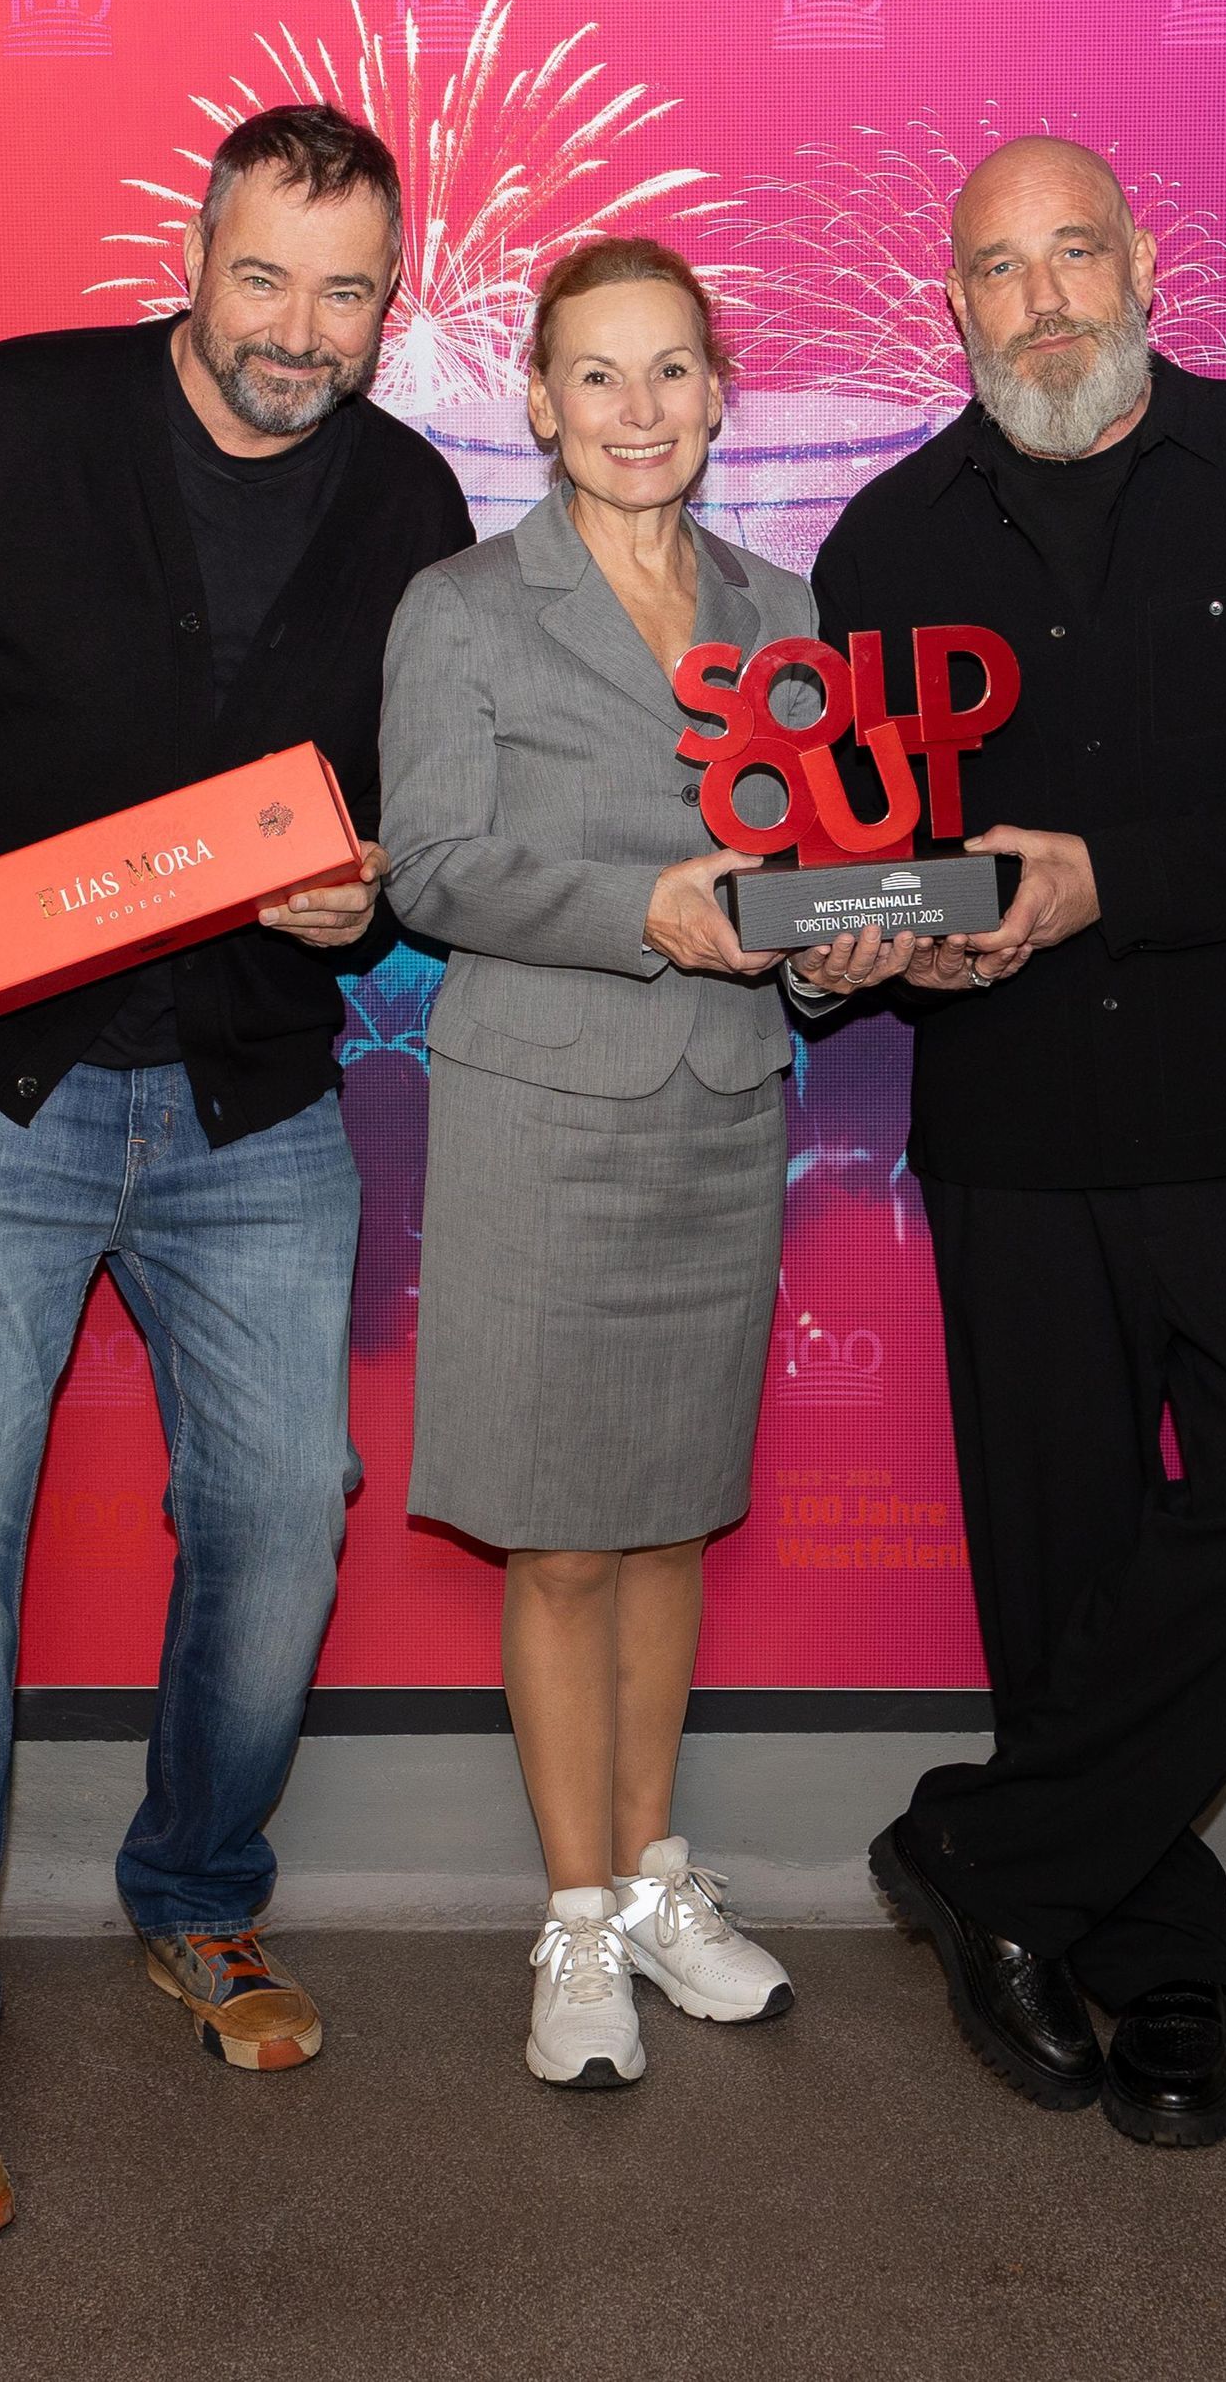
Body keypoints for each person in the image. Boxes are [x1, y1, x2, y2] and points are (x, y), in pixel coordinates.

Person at [0, 103, 472, 2242]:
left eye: (346, 293)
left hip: (253, 1099)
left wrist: (373, 904)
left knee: (275, 1525)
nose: (297, 332)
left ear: (389, 298)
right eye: (263, 278)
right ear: (194, 249)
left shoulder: (411, 492)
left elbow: (400, 807)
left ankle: (193, 1890)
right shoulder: (7, 416)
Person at [811, 137, 1226, 2149]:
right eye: (996, 271)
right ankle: (1148, 1963)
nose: (1042, 299)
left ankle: (986, 1858)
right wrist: (868, 940)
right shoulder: (886, 544)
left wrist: (1112, 882)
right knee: (1064, 1572)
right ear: (954, 305)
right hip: (1017, 1135)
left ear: (1144, 266)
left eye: (1072, 251)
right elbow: (860, 859)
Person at [377, 239, 914, 2089]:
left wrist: (842, 952)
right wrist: (649, 914)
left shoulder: (786, 611)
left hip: (715, 1103)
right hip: (539, 1109)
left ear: (717, 389)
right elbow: (429, 864)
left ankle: (661, 1873)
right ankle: (577, 1915)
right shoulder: (460, 608)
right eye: (596, 378)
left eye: (670, 371)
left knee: (676, 1511)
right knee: (565, 1536)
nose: (637, 412)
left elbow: (809, 873)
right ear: (536, 401)